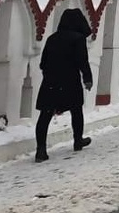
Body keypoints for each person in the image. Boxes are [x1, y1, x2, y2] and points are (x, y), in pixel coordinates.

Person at [35, 8, 93, 162]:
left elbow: (43, 63)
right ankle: (78, 140)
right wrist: (87, 78)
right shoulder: (78, 39)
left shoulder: (52, 38)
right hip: (70, 80)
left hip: (51, 81)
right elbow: (82, 61)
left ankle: (40, 150)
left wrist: (50, 74)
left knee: (45, 115)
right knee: (76, 110)